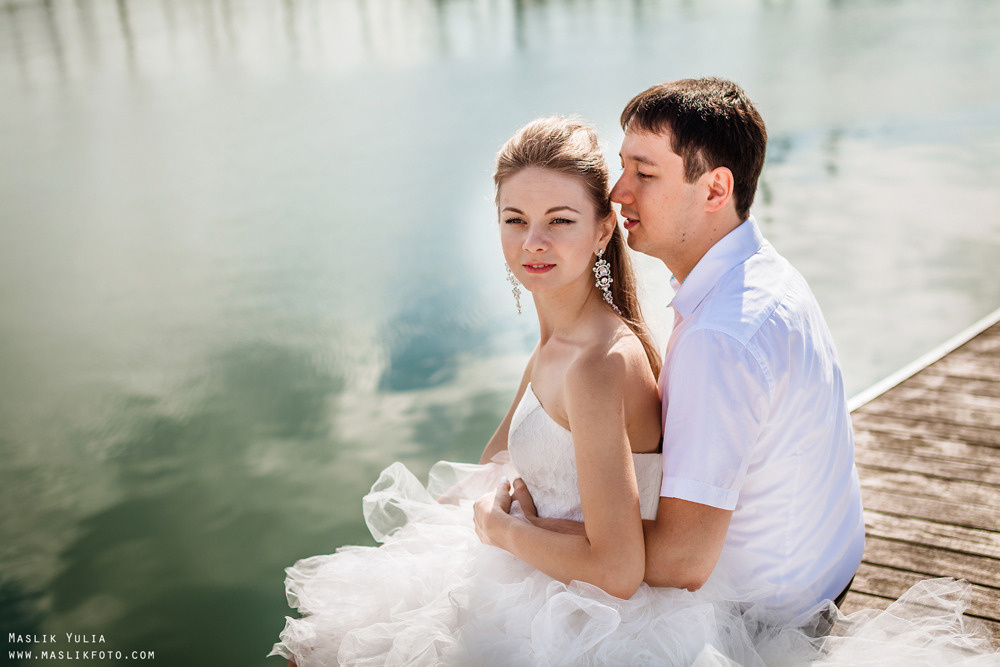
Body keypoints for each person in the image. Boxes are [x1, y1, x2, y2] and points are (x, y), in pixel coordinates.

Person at [479, 77, 866, 624]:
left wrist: (514, 529)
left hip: (770, 607)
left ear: (714, 190)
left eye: (645, 173)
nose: (618, 191)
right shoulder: (760, 274)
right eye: (623, 166)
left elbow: (676, 563)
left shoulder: (721, 338)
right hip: (827, 559)